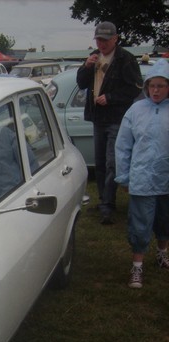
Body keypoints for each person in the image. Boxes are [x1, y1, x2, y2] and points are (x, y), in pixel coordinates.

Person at [76, 21, 142, 225]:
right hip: (98, 118)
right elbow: (81, 83)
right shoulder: (94, 57)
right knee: (101, 162)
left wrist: (110, 97)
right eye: (99, 39)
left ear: (115, 39)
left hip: (116, 118)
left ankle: (107, 204)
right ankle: (105, 200)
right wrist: (87, 67)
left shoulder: (126, 59)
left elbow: (135, 88)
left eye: (105, 40)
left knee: (112, 162)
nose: (102, 43)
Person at [115, 58, 169, 288]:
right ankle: (137, 266)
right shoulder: (136, 110)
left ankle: (162, 253)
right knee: (140, 223)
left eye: (161, 86)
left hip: (166, 178)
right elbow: (123, 145)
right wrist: (124, 176)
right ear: (146, 87)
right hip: (142, 177)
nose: (155, 91)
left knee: (165, 220)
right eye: (152, 86)